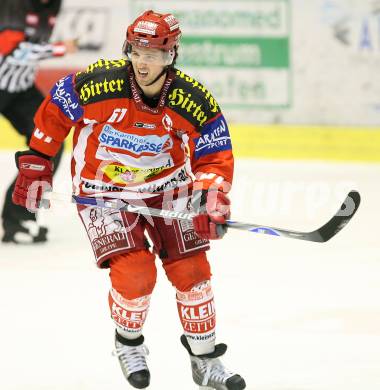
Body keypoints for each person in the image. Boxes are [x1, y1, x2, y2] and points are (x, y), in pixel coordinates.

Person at [11, 10, 246, 390]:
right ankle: (129, 344)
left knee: (193, 274)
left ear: (171, 55)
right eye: (137, 51)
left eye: (153, 53)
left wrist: (211, 194)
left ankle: (205, 359)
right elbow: (55, 109)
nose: (143, 61)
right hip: (103, 192)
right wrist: (37, 159)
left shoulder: (191, 97)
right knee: (136, 274)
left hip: (168, 188)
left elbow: (213, 152)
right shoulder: (98, 83)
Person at [0, 0, 76, 243]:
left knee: (48, 145)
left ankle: (19, 219)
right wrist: (59, 49)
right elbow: (8, 47)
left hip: (21, 89)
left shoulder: (52, 4)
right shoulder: (12, 4)